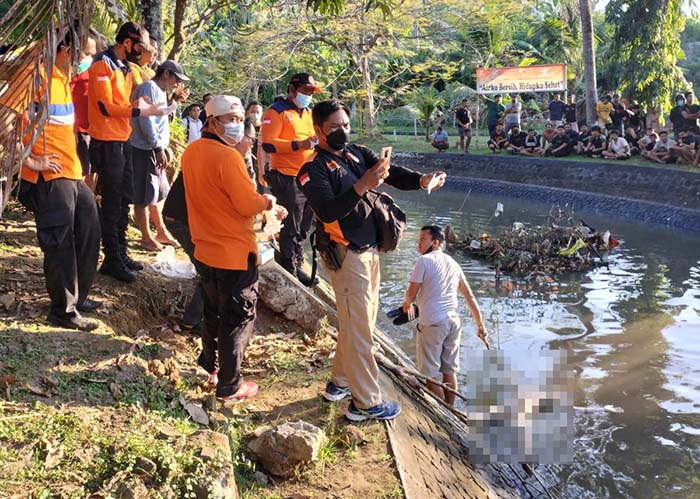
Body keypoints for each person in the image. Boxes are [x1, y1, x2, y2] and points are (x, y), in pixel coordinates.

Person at [297, 98, 446, 421]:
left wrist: (421, 180)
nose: (342, 131)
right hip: (345, 255)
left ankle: (339, 382)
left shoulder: (356, 153)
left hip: (369, 252)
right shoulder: (312, 170)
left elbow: (390, 173)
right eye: (335, 127)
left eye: (346, 125)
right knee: (362, 329)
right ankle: (364, 403)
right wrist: (365, 184)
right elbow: (326, 210)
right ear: (318, 129)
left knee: (356, 324)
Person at [181, 94, 287, 402]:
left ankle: (211, 365)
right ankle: (229, 384)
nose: (237, 126)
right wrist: (268, 201)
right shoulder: (227, 157)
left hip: (205, 248)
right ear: (211, 122)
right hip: (233, 252)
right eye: (230, 120)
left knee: (213, 311)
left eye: (240, 120)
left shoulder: (192, 152)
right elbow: (245, 204)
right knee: (237, 318)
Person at [20, 33, 101, 331]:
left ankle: (77, 299)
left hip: (72, 172)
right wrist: (29, 161)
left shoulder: (61, 79)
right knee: (60, 241)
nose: (87, 60)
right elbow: (5, 120)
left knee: (90, 228)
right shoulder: (35, 77)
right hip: (49, 175)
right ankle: (62, 310)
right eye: (85, 53)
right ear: (67, 48)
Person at [88, 21, 168, 283]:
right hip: (107, 141)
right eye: (140, 47)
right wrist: (139, 111)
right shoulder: (103, 64)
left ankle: (120, 252)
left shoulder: (124, 67)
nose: (142, 53)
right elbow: (104, 107)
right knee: (111, 204)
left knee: (124, 200)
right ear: (127, 43)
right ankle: (111, 258)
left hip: (124, 139)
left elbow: (121, 105)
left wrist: (137, 104)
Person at [400, 225, 488, 406]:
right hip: (453, 322)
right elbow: (469, 296)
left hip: (432, 323)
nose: (419, 243)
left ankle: (441, 412)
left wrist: (406, 306)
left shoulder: (423, 261)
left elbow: (411, 293)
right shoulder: (454, 264)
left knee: (430, 374)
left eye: (423, 239)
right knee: (449, 370)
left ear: (436, 242)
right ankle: (451, 410)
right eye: (419, 239)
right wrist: (480, 325)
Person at [260, 72, 320, 286]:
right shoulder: (276, 112)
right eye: (305, 91)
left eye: (311, 92)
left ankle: (297, 260)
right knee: (291, 226)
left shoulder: (309, 113)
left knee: (305, 224)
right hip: (286, 175)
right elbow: (268, 143)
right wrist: (298, 145)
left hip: (308, 176)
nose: (308, 95)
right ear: (292, 89)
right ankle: (289, 268)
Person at [130, 60, 189, 252]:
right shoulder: (149, 87)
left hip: (154, 147)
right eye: (176, 79)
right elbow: (146, 121)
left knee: (157, 192)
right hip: (144, 149)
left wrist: (175, 102)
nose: (177, 84)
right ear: (166, 74)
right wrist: (157, 148)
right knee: (143, 195)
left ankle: (160, 231)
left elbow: (162, 117)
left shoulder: (160, 91)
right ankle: (146, 237)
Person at [70, 29, 97, 191]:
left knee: (91, 170)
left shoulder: (95, 70)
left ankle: (88, 204)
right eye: (87, 53)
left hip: (93, 129)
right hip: (76, 129)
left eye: (93, 54)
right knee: (79, 171)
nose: (90, 57)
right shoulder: (72, 72)